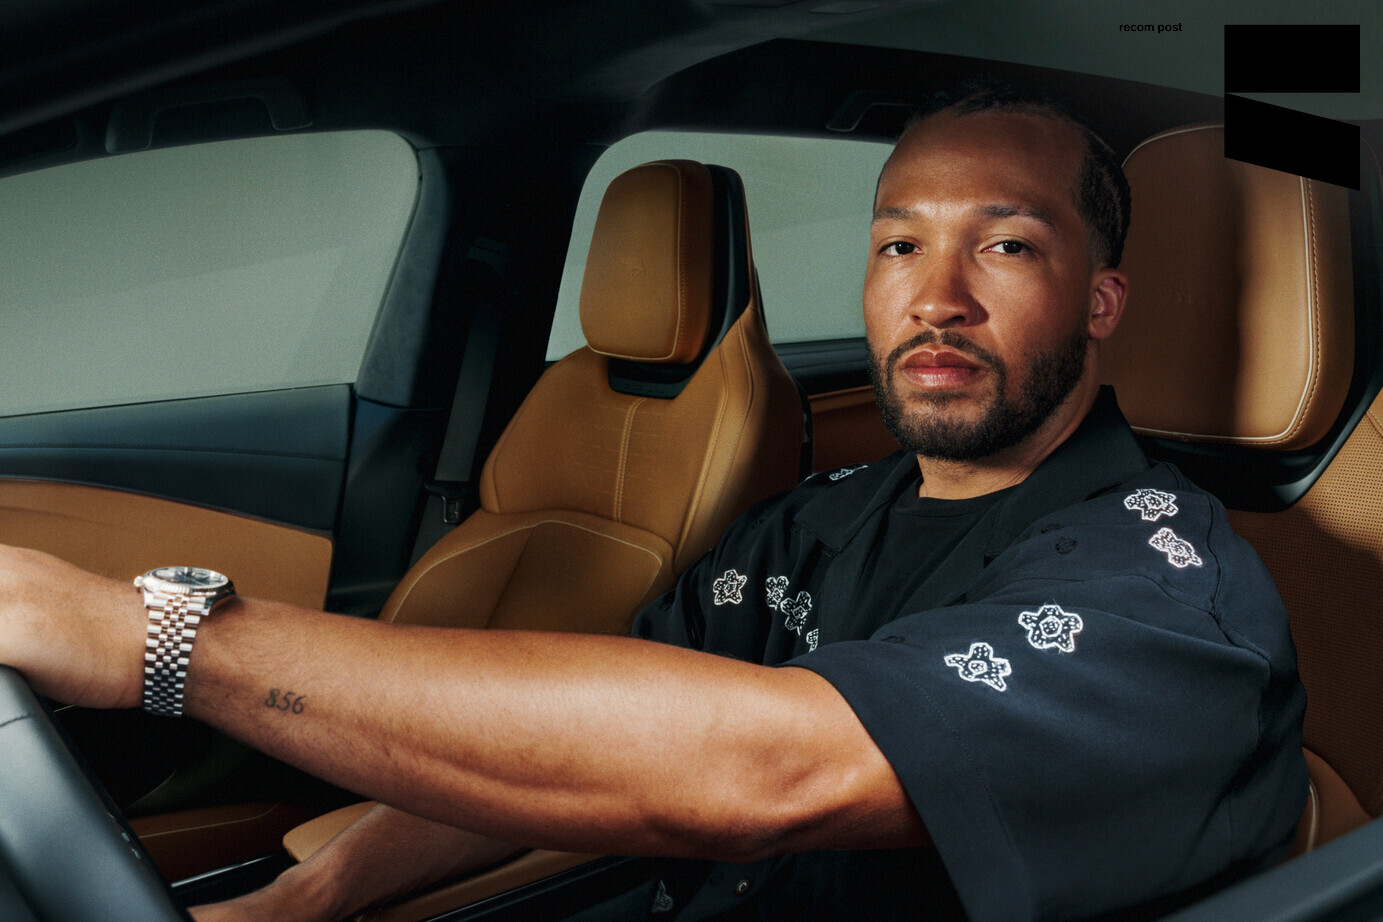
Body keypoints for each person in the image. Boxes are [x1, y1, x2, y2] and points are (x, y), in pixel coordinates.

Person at [0, 86, 1306, 922]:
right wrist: (309, 900)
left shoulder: (1166, 588)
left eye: (1007, 245)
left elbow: (771, 766)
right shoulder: (822, 516)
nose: (936, 296)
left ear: (1101, 300)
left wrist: (170, 641)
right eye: (900, 243)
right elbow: (581, 735)